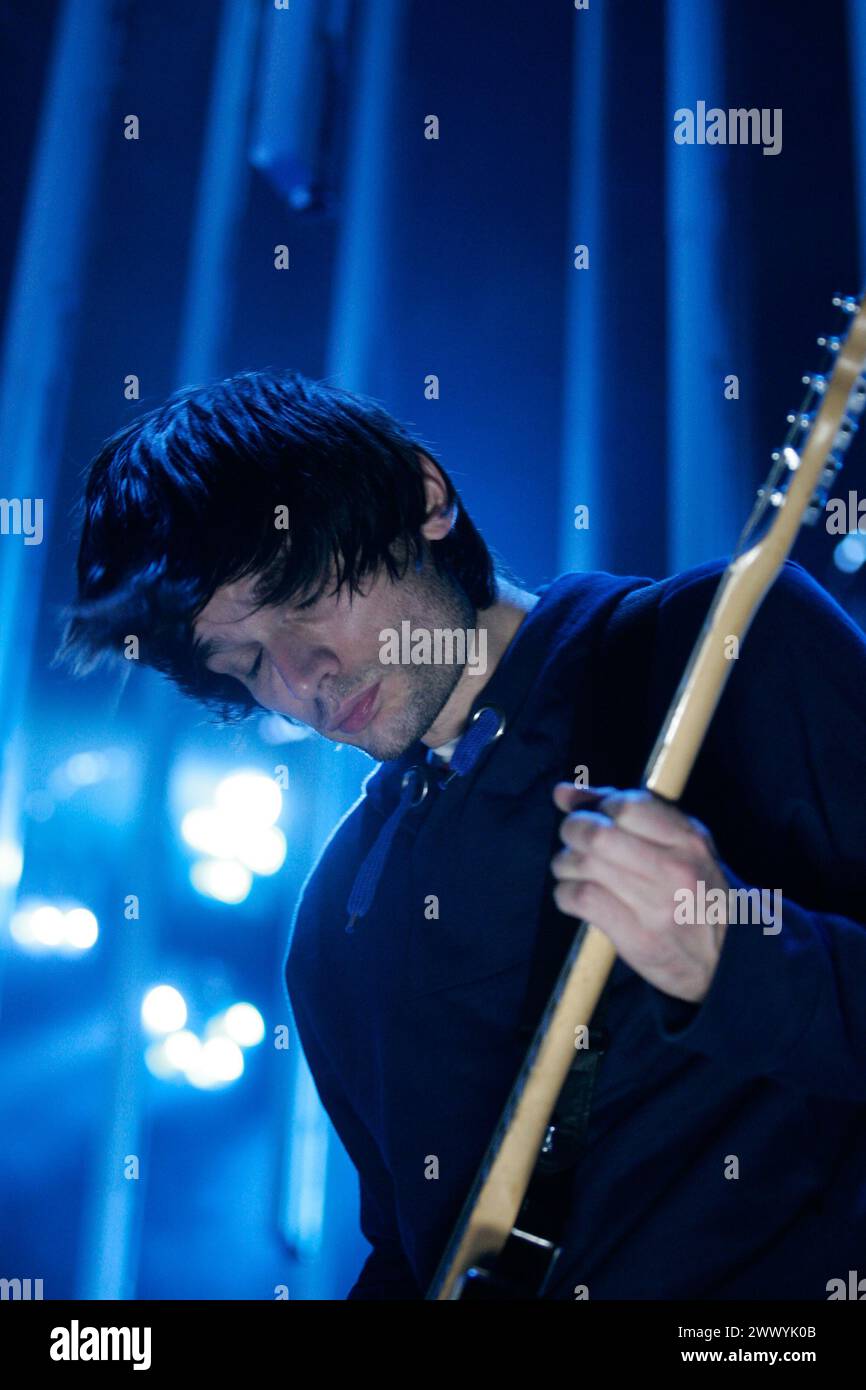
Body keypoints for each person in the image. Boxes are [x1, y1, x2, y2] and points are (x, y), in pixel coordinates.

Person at [60, 368, 866, 1300]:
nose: (299, 678)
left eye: (303, 595)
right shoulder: (333, 926)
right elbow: (416, 1257)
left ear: (423, 498)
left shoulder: (712, 653)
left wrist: (737, 956)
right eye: (241, 661)